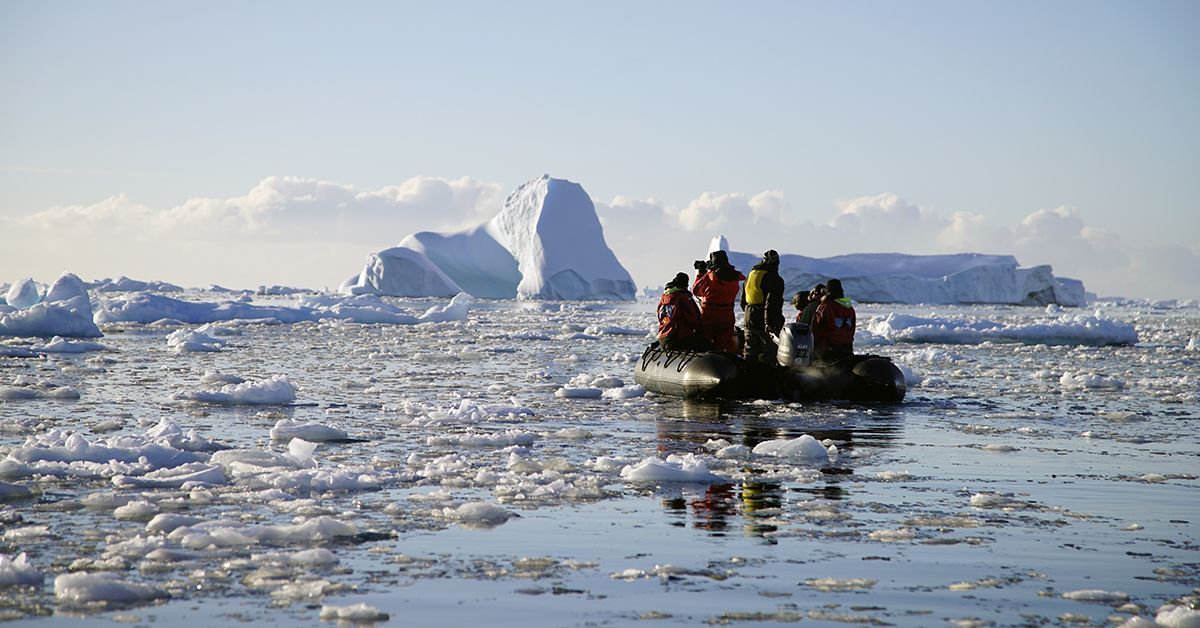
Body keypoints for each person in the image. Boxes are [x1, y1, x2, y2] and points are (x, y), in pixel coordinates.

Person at [692, 250, 745, 354]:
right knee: (726, 343)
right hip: (727, 314)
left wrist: (702, 272)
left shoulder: (710, 276)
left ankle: (707, 365)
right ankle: (731, 363)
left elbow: (696, 290)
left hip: (709, 314)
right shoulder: (734, 277)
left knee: (705, 341)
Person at [741, 250, 785, 362]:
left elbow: (743, 300)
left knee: (750, 351)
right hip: (763, 319)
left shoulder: (751, 274)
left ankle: (748, 374)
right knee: (770, 352)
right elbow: (772, 303)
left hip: (748, 316)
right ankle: (769, 377)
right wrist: (770, 323)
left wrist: (748, 313)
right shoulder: (774, 279)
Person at [656, 272, 710, 352]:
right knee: (708, 345)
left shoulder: (665, 297)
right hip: (678, 338)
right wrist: (701, 332)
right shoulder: (683, 297)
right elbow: (693, 319)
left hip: (664, 339)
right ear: (685, 284)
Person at [812, 278, 856, 362]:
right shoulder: (849, 308)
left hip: (828, 349)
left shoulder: (825, 306)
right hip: (847, 348)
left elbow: (816, 328)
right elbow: (852, 328)